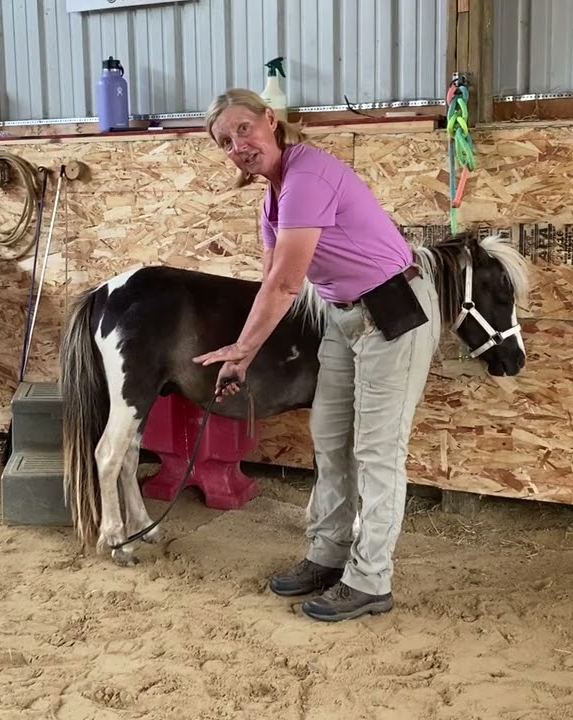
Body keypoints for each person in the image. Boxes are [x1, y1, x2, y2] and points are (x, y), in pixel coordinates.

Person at [193, 88, 441, 622]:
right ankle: (328, 554)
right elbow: (269, 282)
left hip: (393, 310)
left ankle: (371, 579)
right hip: (343, 316)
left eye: (242, 129)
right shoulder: (272, 198)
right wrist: (243, 357)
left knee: (377, 452)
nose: (238, 145)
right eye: (225, 142)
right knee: (330, 442)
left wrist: (242, 347)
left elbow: (286, 284)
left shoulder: (308, 174)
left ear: (269, 120)